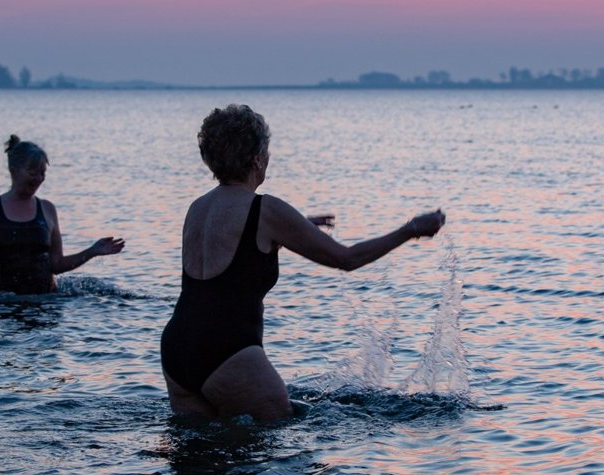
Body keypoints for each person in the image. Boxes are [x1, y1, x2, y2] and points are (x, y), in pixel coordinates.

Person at [161, 104, 445, 420]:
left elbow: (231, 265)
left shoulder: (197, 208)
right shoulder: (266, 210)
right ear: (257, 158)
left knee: (201, 459)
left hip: (177, 349)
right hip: (228, 351)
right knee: (277, 449)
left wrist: (294, 228)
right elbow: (347, 259)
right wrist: (411, 230)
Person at [0, 135, 124, 294]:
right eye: (33, 172)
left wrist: (93, 251)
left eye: (43, 173)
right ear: (13, 171)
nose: (39, 178)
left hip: (45, 303)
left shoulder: (48, 209)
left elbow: (57, 265)